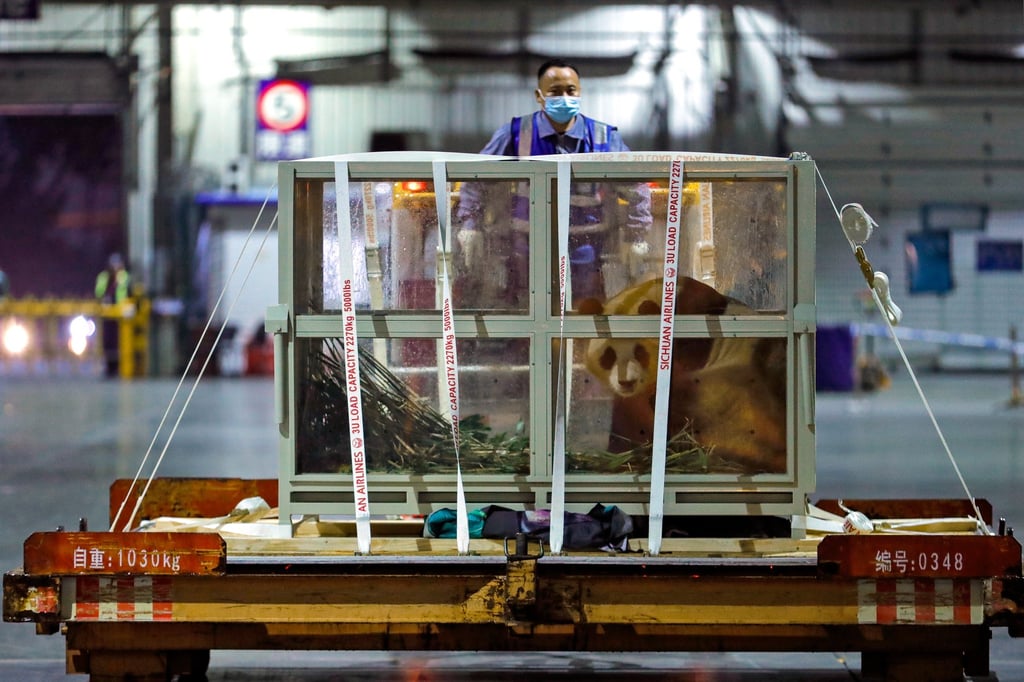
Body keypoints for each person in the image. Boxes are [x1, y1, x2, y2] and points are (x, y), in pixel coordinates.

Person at [456, 58, 652, 305]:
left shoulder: (603, 137)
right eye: (555, 92)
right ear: (539, 96)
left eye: (571, 91)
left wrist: (637, 237)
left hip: (586, 247)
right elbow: (476, 177)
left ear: (580, 92)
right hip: (526, 247)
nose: (564, 98)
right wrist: (470, 225)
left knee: (583, 311)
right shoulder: (516, 134)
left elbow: (636, 185)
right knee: (528, 311)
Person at [95, 253, 132, 377]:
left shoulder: (124, 277)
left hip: (121, 317)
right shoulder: (104, 277)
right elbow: (99, 293)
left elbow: (127, 293)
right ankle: (109, 368)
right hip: (107, 315)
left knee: (120, 342)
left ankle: (119, 367)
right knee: (108, 342)